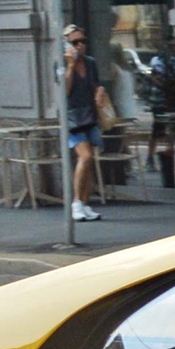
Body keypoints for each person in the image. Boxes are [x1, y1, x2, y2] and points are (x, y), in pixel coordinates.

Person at [58, 24, 116, 221]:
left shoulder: (90, 62)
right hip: (73, 117)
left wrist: (100, 90)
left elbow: (95, 84)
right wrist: (71, 66)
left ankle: (85, 202)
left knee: (91, 162)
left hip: (90, 114)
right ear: (67, 44)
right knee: (85, 156)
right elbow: (65, 91)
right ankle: (76, 202)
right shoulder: (61, 64)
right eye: (75, 42)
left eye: (83, 41)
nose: (80, 45)